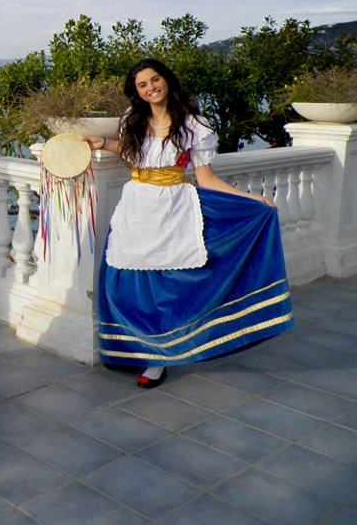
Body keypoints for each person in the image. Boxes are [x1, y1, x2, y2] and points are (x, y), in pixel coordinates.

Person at [88, 58, 294, 388]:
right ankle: (133, 348)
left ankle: (159, 359)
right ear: (137, 92)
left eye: (155, 79)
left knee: (167, 288)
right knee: (127, 283)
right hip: (136, 207)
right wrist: (104, 144)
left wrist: (254, 200)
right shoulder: (133, 119)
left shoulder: (193, 124)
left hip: (173, 207)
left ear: (167, 80)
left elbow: (206, 178)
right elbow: (133, 155)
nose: (151, 88)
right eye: (142, 85)